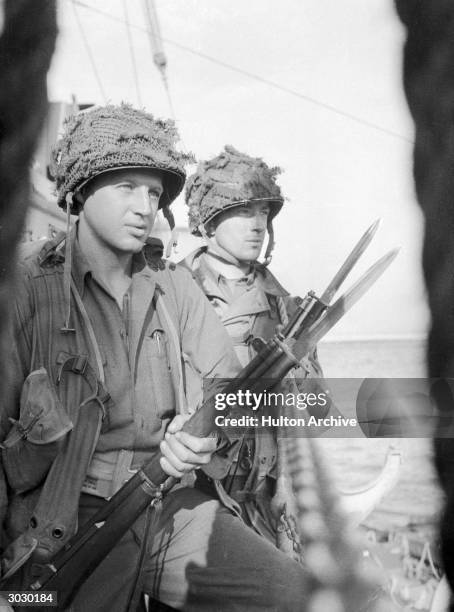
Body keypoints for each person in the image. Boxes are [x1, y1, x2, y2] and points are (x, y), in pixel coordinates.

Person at [0, 106, 307, 611]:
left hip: (169, 504)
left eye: (155, 193)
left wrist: (204, 433)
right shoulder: (25, 288)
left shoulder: (173, 286)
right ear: (81, 188)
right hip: (61, 522)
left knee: (298, 595)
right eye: (127, 187)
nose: (145, 206)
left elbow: (233, 395)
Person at [184, 145, 329, 554]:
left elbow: (318, 413)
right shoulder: (174, 293)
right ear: (209, 221)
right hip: (194, 495)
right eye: (244, 211)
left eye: (264, 212)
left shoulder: (285, 307)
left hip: (269, 500)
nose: (257, 225)